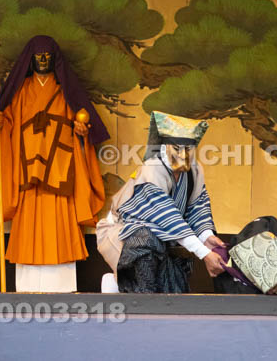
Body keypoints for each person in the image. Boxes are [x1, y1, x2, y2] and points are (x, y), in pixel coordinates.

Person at [0, 35, 108, 293]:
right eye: (38, 56)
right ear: (30, 60)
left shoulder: (66, 92)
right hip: (27, 172)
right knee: (28, 227)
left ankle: (63, 288)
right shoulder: (20, 92)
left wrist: (82, 132)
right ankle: (26, 289)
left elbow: (81, 128)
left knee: (60, 227)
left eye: (48, 55)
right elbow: (8, 126)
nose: (43, 60)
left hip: (59, 170)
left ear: (55, 59)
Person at [96, 111, 226, 293]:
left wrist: (206, 237)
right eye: (177, 148)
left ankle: (119, 286)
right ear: (164, 147)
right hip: (123, 233)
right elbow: (167, 218)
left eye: (188, 148)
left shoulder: (195, 170)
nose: (183, 154)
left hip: (166, 236)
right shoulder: (152, 169)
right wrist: (204, 253)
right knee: (145, 240)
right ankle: (128, 286)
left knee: (173, 291)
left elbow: (197, 208)